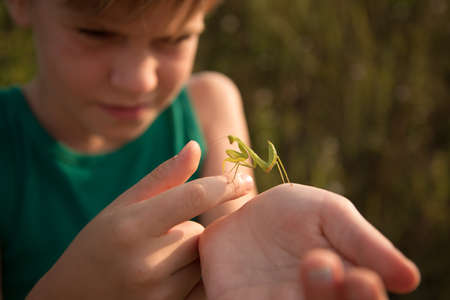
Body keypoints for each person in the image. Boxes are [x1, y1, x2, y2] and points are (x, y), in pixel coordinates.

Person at [0, 0, 420, 299]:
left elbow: (240, 231)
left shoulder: (209, 104)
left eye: (175, 38)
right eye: (96, 33)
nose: (138, 80)